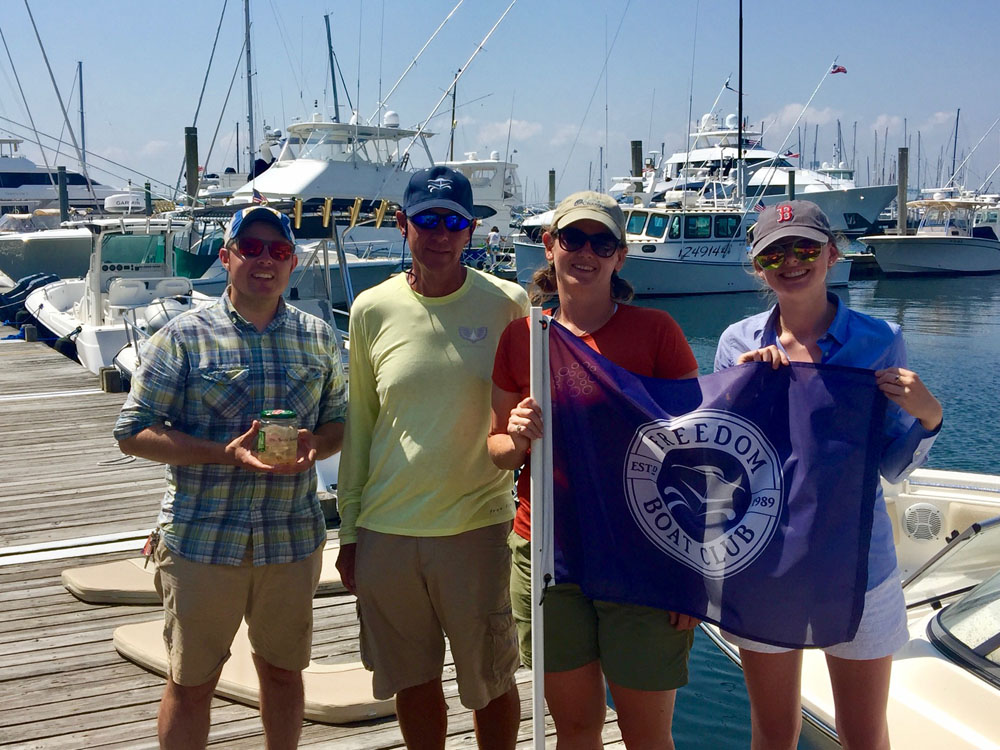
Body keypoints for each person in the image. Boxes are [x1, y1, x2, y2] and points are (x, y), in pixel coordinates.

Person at [114, 205, 347, 750]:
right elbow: (132, 433)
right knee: (192, 682)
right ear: (227, 257)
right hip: (201, 539)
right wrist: (225, 453)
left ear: (292, 264)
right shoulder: (182, 337)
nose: (265, 260)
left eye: (279, 251)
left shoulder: (318, 337)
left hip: (290, 538)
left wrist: (318, 444)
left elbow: (339, 423)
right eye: (252, 248)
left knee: (285, 674)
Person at [714, 200, 943, 750]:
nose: (791, 261)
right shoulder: (737, 343)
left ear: (833, 254)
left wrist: (929, 418)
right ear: (758, 266)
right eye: (774, 252)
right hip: (765, 563)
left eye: (806, 247)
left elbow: (887, 464)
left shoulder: (880, 339)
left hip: (859, 565)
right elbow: (726, 468)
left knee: (864, 735)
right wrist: (743, 398)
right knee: (773, 734)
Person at [488, 191, 700, 749]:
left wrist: (692, 574)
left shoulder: (656, 333)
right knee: (576, 728)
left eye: (601, 242)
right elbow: (496, 451)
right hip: (548, 556)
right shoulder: (522, 336)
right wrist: (514, 436)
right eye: (573, 239)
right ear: (549, 246)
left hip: (645, 556)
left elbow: (697, 458)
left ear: (620, 256)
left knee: (645, 735)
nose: (586, 252)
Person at [335, 166, 528, 750]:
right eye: (426, 221)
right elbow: (361, 425)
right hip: (386, 531)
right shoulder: (371, 308)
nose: (439, 234)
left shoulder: (510, 304)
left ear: (470, 231)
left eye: (453, 222)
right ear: (403, 226)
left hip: (478, 528)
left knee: (491, 683)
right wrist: (349, 531)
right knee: (412, 684)